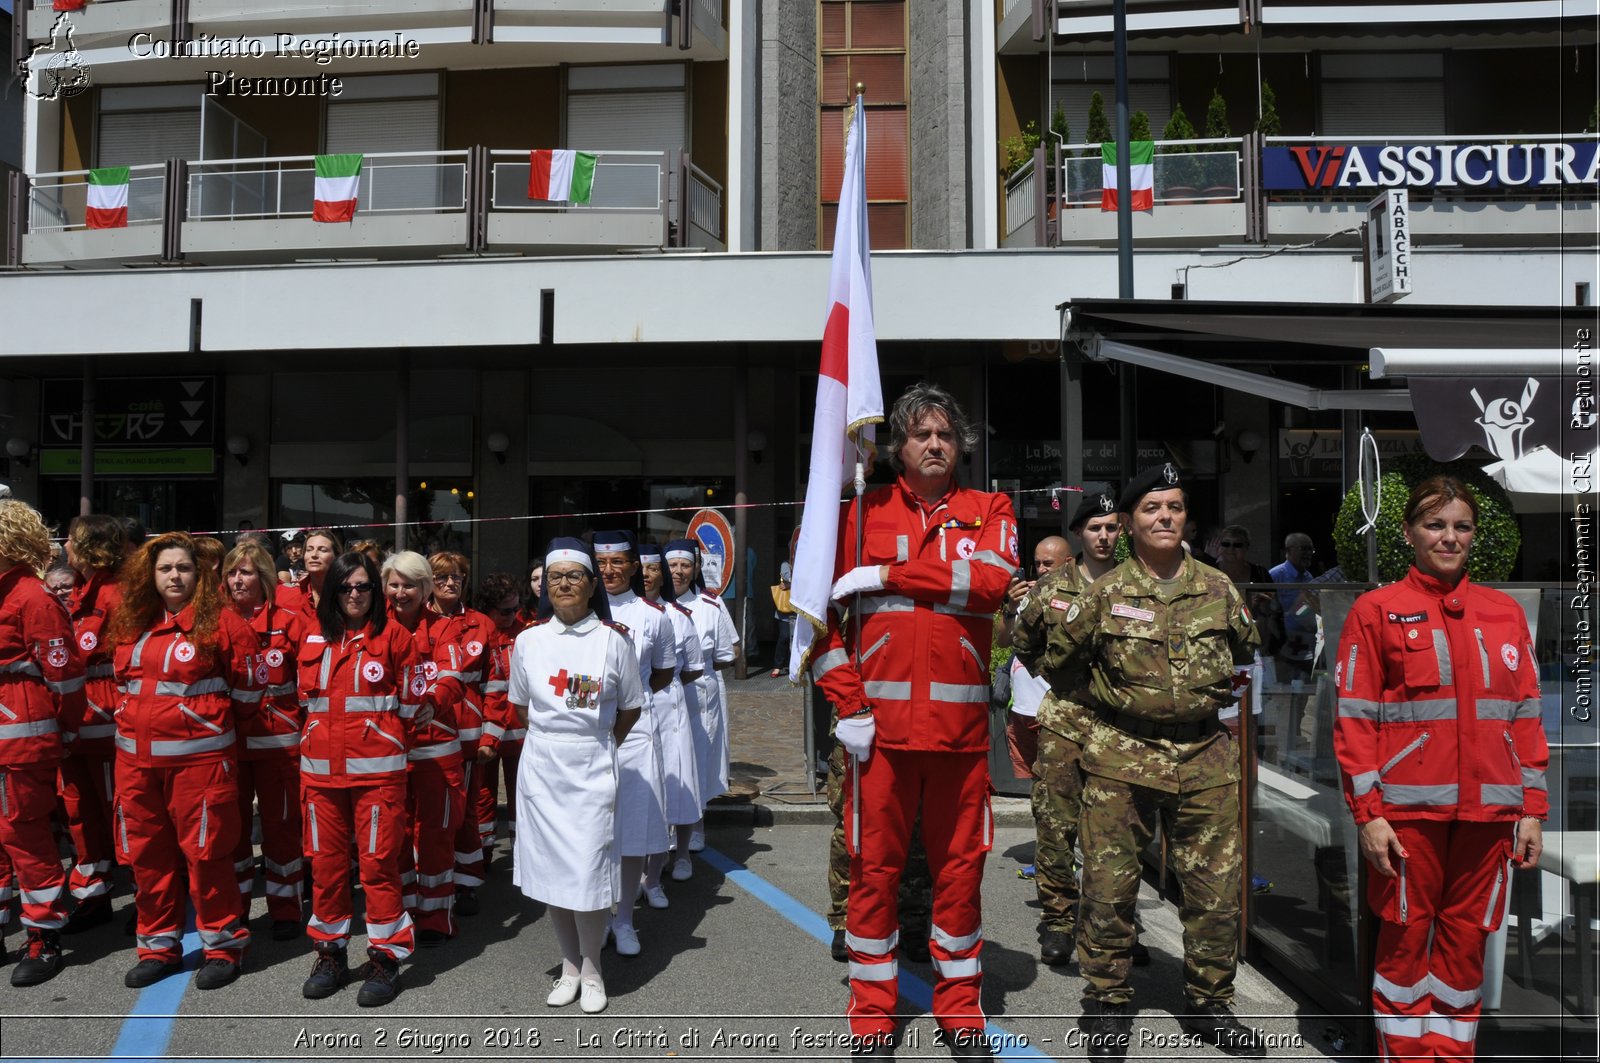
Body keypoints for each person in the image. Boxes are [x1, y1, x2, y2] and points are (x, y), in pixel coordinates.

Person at [810, 382, 1019, 1059]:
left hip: (959, 743)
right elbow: (819, 621)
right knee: (874, 875)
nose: (936, 444)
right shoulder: (859, 512)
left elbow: (989, 584)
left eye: (946, 435)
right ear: (897, 445)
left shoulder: (991, 508)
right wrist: (848, 703)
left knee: (961, 875)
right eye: (921, 434)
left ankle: (962, 1010)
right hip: (881, 740)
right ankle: (872, 1016)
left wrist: (889, 571)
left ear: (960, 445)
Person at [1039, 464, 1265, 1059]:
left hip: (1205, 758)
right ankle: (1108, 1002)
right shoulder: (1101, 593)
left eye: (1175, 507)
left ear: (1187, 518)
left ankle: (1211, 1003)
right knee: (1111, 887)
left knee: (1215, 893)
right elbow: (1059, 666)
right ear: (1131, 524)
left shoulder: (1219, 588)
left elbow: (1245, 652)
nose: (1165, 516)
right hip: (1121, 757)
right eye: (1151, 508)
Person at [1334, 476, 1547, 1063]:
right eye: (1435, 524)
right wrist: (1369, 814)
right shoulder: (1375, 610)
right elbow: (1353, 720)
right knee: (1402, 947)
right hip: (1407, 815)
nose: (1449, 537)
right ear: (1408, 533)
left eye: (1461, 526)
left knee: (1465, 947)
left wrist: (1533, 809)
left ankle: (1451, 1058)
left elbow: (1526, 716)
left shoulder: (1504, 612)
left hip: (1491, 814)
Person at [108, 531, 260, 991]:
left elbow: (249, 696)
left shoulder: (226, 625)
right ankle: (158, 948)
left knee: (208, 856)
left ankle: (222, 947)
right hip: (136, 767)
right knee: (148, 859)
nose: (174, 576)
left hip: (201, 768)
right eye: (165, 568)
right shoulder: (133, 622)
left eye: (184, 568)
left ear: (200, 574)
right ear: (150, 575)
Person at [508, 538, 642, 1016]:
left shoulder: (613, 640)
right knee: (551, 875)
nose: (564, 584)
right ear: (544, 585)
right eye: (555, 576)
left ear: (590, 586)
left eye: (575, 576)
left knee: (586, 872)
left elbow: (630, 706)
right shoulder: (528, 641)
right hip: (542, 769)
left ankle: (592, 969)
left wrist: (598, 742)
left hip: (590, 769)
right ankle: (567, 967)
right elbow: (522, 706)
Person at [296, 552, 424, 1006]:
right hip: (320, 778)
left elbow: (412, 709)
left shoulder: (396, 638)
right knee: (326, 870)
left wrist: (377, 741)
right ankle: (330, 954)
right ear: (332, 590)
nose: (355, 594)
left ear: (376, 592)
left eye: (364, 586)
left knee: (378, 868)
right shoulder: (313, 637)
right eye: (346, 586)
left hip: (378, 778)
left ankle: (385, 958)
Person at [0, 500, 86, 987]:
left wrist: (65, 731)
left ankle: (43, 934)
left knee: (25, 836)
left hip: (21, 738)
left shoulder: (32, 598)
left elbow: (66, 677)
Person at [592, 531, 674, 956]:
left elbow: (662, 674)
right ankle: (596, 916)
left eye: (617, 562)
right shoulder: (581, 615)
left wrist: (630, 701)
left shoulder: (653, 616)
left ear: (634, 566)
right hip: (588, 735)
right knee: (595, 834)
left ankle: (624, 919)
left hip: (636, 734)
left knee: (630, 837)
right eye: (601, 562)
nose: (608, 571)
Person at [221, 541, 307, 941]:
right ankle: (234, 909)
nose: (240, 579)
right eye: (234, 572)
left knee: (282, 826)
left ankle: (286, 908)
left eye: (248, 572)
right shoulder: (213, 621)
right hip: (231, 742)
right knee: (233, 831)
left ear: (265, 578)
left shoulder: (291, 620)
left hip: (279, 742)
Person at [381, 550, 464, 948]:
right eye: (394, 584)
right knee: (393, 838)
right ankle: (404, 911)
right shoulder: (373, 628)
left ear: (426, 588)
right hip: (388, 753)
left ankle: (434, 916)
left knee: (435, 837)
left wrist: (431, 701)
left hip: (435, 752)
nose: (401, 592)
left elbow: (451, 677)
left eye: (410, 584)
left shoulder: (445, 629)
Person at [57, 514, 125, 935]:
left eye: (71, 538)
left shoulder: (116, 593)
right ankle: (92, 895)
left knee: (117, 813)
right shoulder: (78, 592)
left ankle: (146, 896)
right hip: (76, 717)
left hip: (104, 714)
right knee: (79, 812)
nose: (64, 543)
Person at [427, 551, 497, 915]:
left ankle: (467, 881)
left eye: (456, 577)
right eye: (441, 578)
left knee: (464, 812)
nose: (449, 583)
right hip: (427, 732)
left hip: (468, 732)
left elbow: (497, 683)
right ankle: (430, 881)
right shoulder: (416, 621)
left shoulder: (482, 624)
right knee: (429, 814)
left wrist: (491, 736)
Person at [664, 539, 738, 874]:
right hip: (664, 694)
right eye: (672, 565)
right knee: (668, 760)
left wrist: (699, 669)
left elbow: (729, 652)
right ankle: (664, 828)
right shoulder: (654, 605)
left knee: (701, 756)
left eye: (684, 565)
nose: (678, 572)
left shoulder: (711, 604)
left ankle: (695, 825)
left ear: (694, 568)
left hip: (702, 692)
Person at [638, 542, 702, 908]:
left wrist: (665, 688)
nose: (647, 575)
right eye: (642, 568)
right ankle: (645, 869)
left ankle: (679, 855)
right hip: (636, 707)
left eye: (653, 568)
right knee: (646, 788)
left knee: (678, 780)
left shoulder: (679, 616)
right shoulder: (624, 612)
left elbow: (693, 668)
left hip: (669, 700)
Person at [475, 572, 527, 868]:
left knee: (522, 795)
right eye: (505, 611)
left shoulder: (526, 633)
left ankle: (522, 854)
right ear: (488, 608)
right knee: (483, 796)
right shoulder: (478, 633)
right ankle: (481, 855)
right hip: (486, 730)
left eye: (515, 609)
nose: (512, 616)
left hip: (520, 731)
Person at [1269, 532, 1318, 684]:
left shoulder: (1309, 577)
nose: (1308, 553)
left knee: (1303, 693)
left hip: (1307, 648)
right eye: (1304, 549)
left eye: (1311, 549)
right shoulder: (1276, 575)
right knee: (1281, 693)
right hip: (1282, 649)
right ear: (1288, 551)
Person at [277, 529, 339, 616]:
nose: (314, 554)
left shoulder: (346, 592)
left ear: (336, 555)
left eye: (323, 550)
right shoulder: (286, 595)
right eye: (309, 549)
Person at [770, 548, 795, 679]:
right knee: (784, 637)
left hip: (800, 609)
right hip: (785, 609)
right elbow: (788, 577)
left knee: (798, 639)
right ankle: (778, 665)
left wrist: (790, 584)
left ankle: (795, 666)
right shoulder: (786, 564)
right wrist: (792, 583)